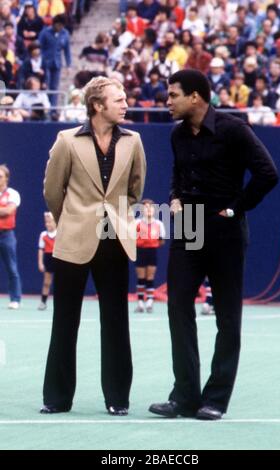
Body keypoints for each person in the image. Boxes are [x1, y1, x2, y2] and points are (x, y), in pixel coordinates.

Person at [149, 70, 279, 421]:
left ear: (196, 97)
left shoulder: (234, 129)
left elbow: (269, 173)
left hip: (225, 227)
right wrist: (175, 196)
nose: (168, 101)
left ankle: (216, 398)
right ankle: (184, 396)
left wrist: (235, 209)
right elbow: (178, 172)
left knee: (227, 317)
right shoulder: (177, 134)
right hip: (189, 224)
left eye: (173, 94)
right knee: (177, 307)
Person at [40, 76, 146, 416]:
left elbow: (135, 189)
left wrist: (118, 217)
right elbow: (52, 190)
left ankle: (118, 398)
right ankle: (57, 398)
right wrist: (71, 219)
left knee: (116, 321)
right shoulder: (67, 140)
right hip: (73, 239)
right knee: (65, 320)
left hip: (114, 240)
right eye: (118, 99)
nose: (125, 103)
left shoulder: (134, 141)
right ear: (97, 106)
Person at [135, 199, 166, 314]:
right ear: (141, 209)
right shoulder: (136, 223)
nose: (148, 209)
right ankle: (140, 302)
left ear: (154, 210)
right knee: (141, 277)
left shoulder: (159, 224)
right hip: (140, 251)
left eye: (151, 207)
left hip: (152, 252)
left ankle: (149, 301)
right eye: (145, 207)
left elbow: (162, 241)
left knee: (150, 277)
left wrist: (152, 242)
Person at [0, 164, 22, 310]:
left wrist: (4, 210)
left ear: (6, 178)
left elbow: (8, 211)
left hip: (7, 235)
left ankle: (15, 299)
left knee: (12, 268)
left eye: (0, 176)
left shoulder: (13, 194)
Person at [37, 212, 57, 310]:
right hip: (48, 259)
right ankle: (43, 302)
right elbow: (41, 249)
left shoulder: (59, 233)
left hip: (58, 259)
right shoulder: (43, 235)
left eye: (50, 222)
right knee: (46, 282)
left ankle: (60, 302)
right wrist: (40, 263)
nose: (48, 224)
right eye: (46, 222)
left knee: (60, 283)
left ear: (56, 222)